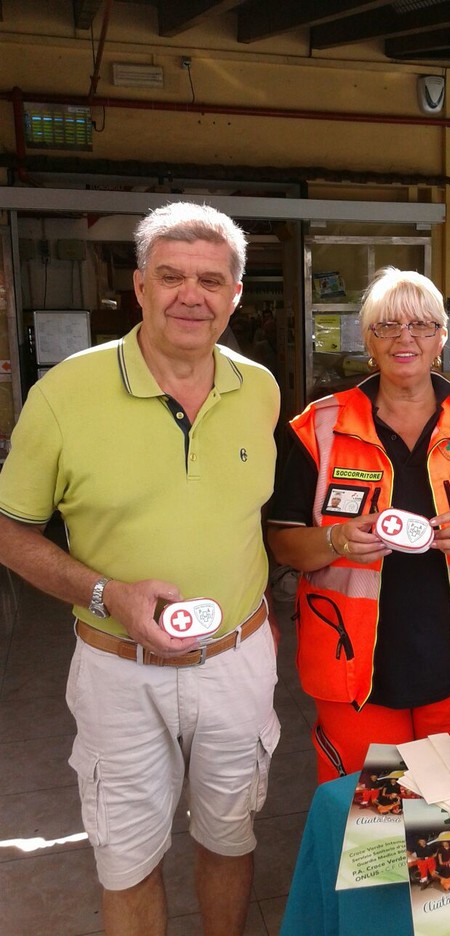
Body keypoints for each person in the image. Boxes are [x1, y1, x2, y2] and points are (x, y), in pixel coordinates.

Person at [0, 202, 281, 936]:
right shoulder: (64, 394)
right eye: (172, 276)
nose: (192, 295)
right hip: (118, 670)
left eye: (211, 281)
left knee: (230, 837)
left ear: (235, 296)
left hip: (235, 660)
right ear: (140, 286)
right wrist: (103, 592)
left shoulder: (260, 389)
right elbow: (9, 531)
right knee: (127, 861)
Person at [267, 267, 450, 782]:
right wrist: (335, 540)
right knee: (364, 825)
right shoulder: (320, 427)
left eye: (421, 325)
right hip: (356, 675)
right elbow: (283, 544)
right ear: (367, 339)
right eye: (387, 325)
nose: (405, 338)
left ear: (441, 337)